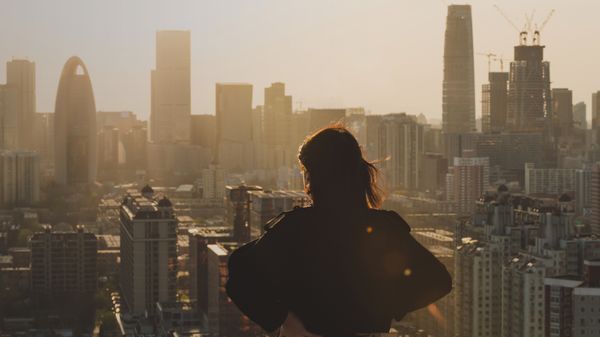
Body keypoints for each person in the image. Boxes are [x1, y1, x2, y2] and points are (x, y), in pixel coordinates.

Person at [226, 126, 452, 337]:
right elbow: (437, 280)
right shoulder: (383, 228)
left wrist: (281, 318)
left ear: (314, 177)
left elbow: (239, 272)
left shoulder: (295, 228)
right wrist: (383, 307)